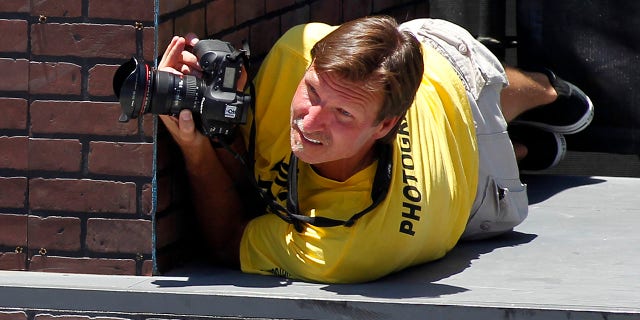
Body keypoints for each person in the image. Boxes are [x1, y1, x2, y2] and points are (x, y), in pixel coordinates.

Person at [158, 16, 593, 283]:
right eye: (312, 91)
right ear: (310, 67)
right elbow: (249, 168)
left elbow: (230, 243)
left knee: (498, 93)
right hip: (425, 77)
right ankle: (525, 150)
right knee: (516, 149)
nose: (309, 122)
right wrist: (211, 118)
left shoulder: (355, 246)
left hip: (466, 138)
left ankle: (550, 92)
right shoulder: (295, 52)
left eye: (343, 115)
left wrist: (195, 152)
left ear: (385, 125)